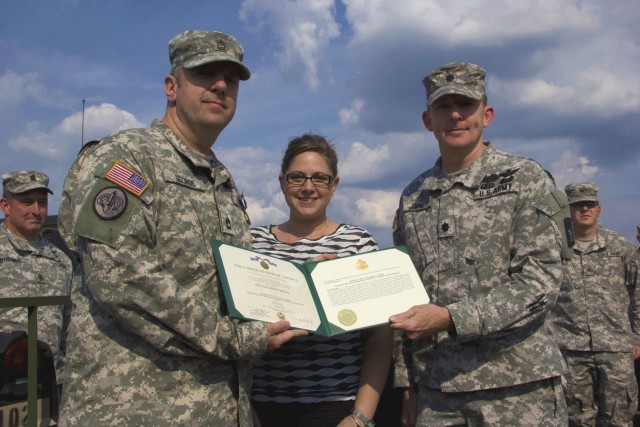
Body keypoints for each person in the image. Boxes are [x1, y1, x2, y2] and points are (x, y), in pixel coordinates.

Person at [57, 30, 306, 426]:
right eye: (205, 73)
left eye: (232, 78)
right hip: (138, 410)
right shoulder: (129, 157)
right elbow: (119, 272)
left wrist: (305, 283)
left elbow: (229, 279)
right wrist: (230, 338)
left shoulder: (220, 179)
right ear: (171, 87)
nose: (221, 85)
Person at [389, 62, 569, 426]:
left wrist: (451, 318)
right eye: (443, 107)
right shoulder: (413, 197)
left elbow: (540, 283)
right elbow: (402, 288)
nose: (455, 115)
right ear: (428, 121)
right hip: (438, 393)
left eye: (466, 105)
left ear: (486, 115)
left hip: (516, 387)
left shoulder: (525, 178)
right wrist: (408, 384)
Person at [250, 134, 394, 427]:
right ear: (281, 182)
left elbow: (379, 337)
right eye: (297, 177)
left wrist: (360, 417)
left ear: (334, 185)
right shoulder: (252, 243)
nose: (307, 187)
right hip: (259, 407)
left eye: (319, 178)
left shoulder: (356, 243)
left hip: (336, 407)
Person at [551, 182, 639, 426]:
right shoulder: (556, 250)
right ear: (569, 211)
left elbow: (638, 293)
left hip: (616, 346)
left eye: (590, 204)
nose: (584, 209)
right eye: (578, 205)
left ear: (599, 210)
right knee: (578, 417)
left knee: (619, 417)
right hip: (570, 347)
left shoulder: (621, 248)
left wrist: (638, 337)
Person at [0, 171, 72, 386]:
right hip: (5, 382)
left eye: (42, 203)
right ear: (5, 206)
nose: (36, 210)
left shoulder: (60, 260)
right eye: (26, 202)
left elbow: (68, 324)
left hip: (50, 382)